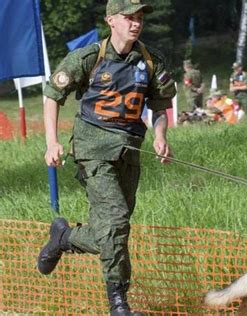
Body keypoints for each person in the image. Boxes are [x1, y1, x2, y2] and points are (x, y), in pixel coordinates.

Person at [37, 1, 176, 315]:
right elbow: (51, 95)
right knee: (115, 224)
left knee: (113, 231)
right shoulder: (89, 57)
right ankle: (119, 306)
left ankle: (64, 237)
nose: (135, 24)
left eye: (139, 18)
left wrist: (160, 135)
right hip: (93, 150)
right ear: (111, 20)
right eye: (129, 18)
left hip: (130, 151)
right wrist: (52, 142)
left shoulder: (151, 60)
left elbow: (160, 104)